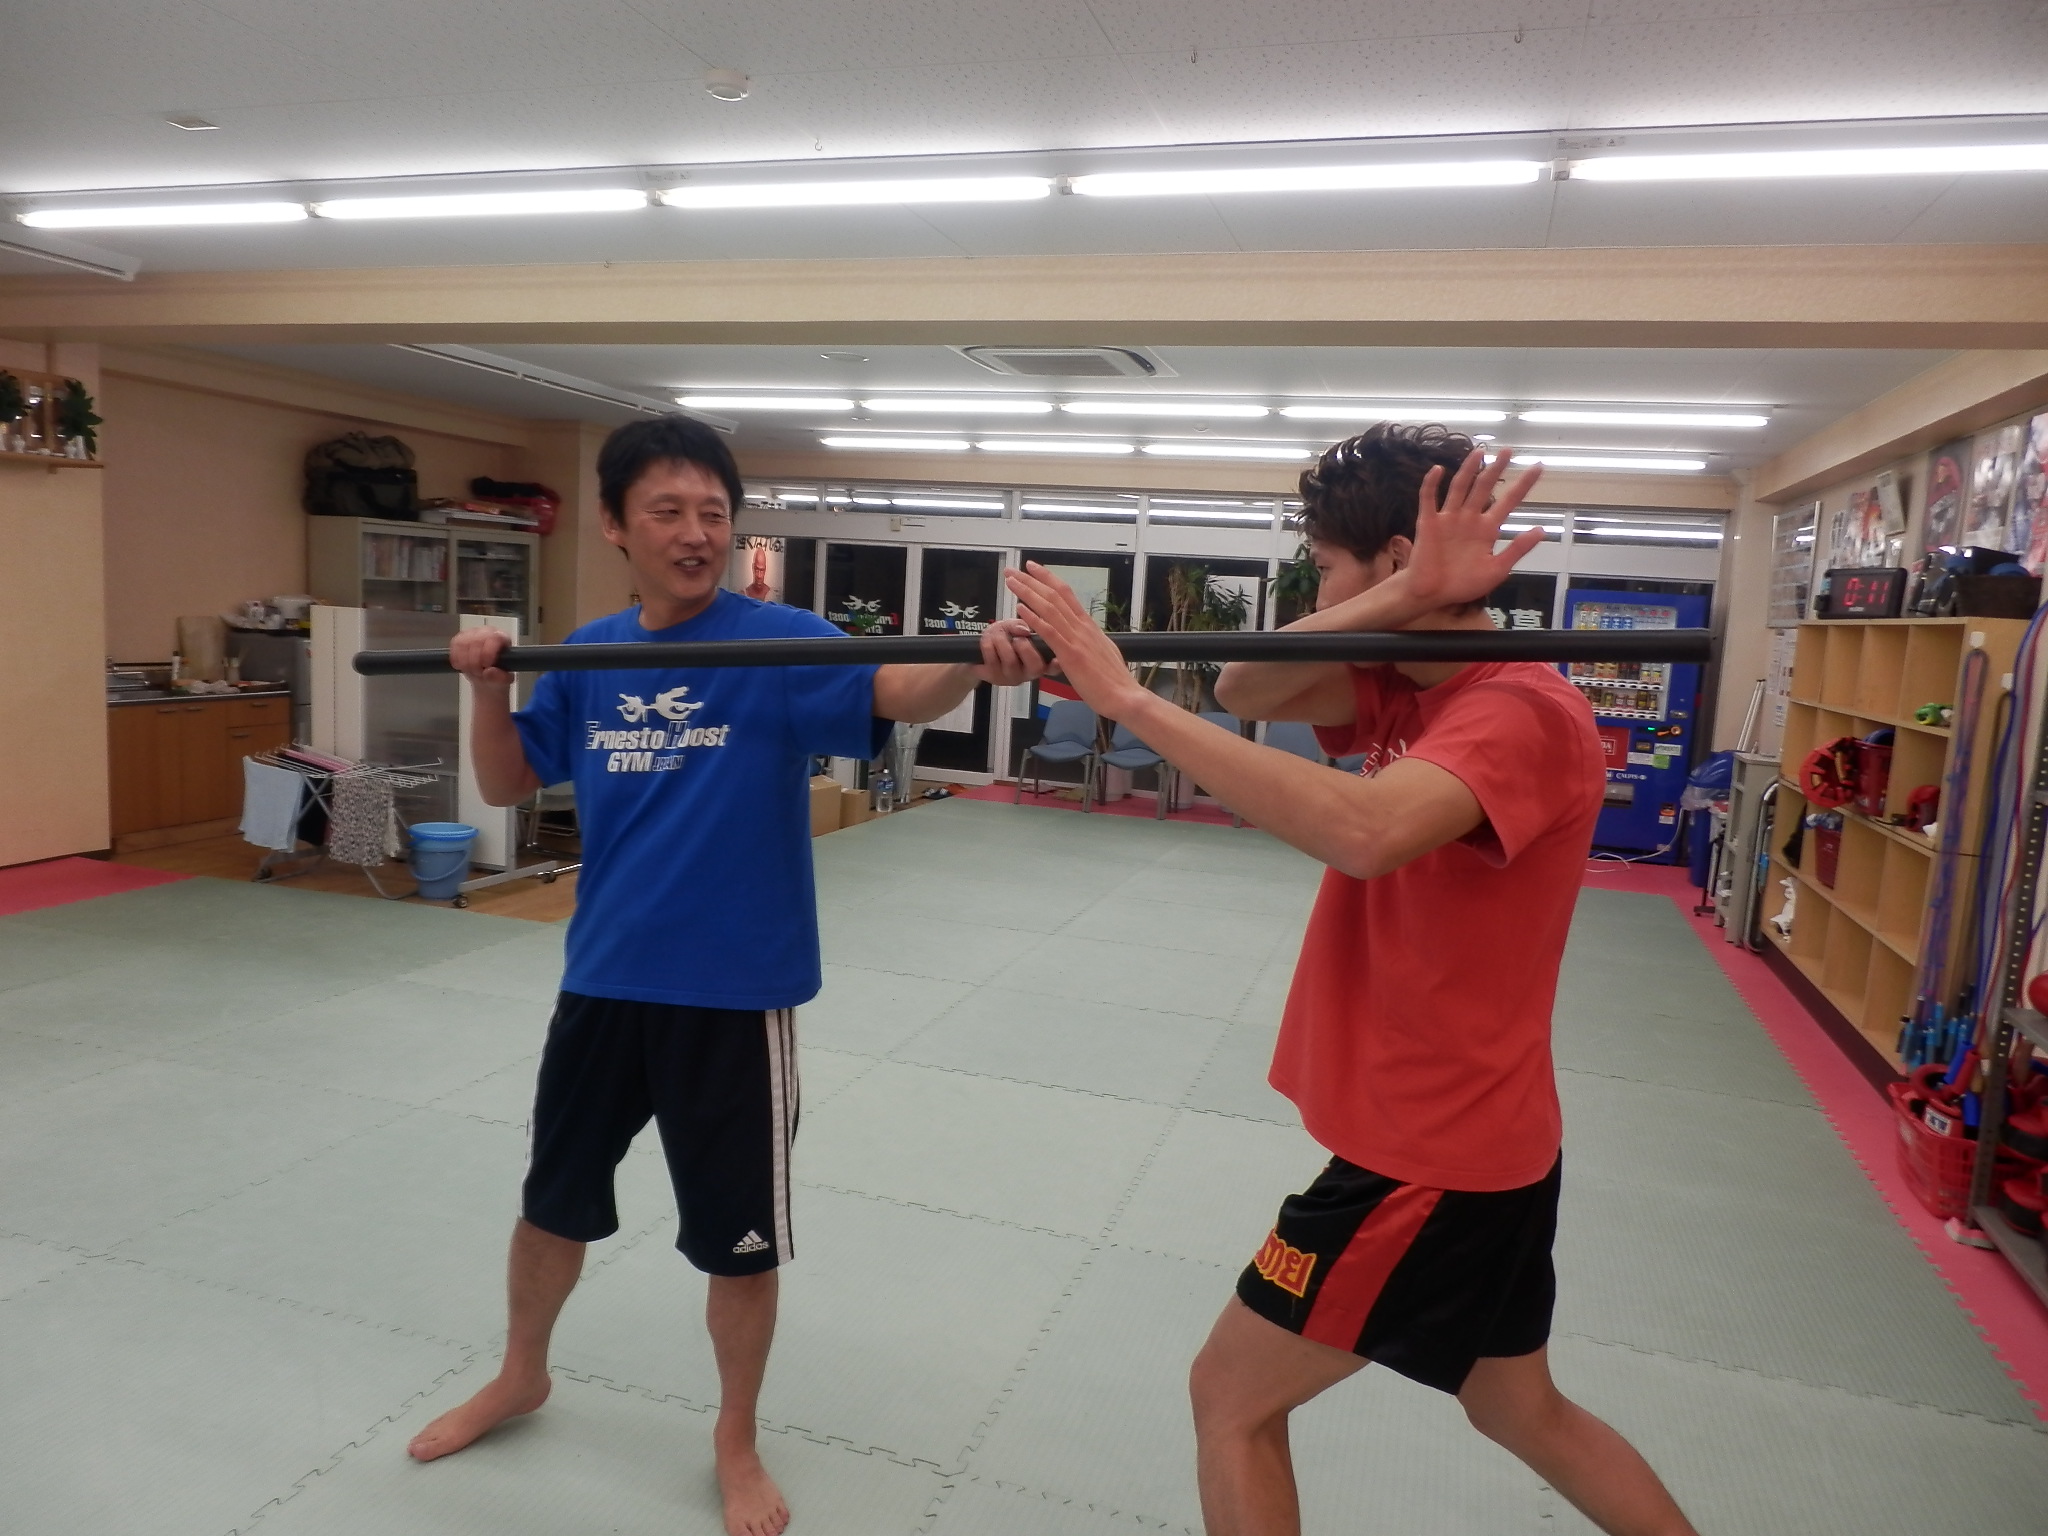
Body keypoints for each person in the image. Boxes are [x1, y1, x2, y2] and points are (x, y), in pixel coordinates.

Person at [1004, 424, 1697, 1536]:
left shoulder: (1518, 712)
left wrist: (1126, 701)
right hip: (1482, 1139)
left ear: (1386, 556)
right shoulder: (1402, 682)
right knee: (1520, 1410)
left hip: (1433, 1154)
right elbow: (1243, 681)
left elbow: (1365, 832)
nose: (1316, 591)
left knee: (1229, 1399)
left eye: (1325, 568)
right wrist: (1402, 594)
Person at [407, 415, 1045, 1536]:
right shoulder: (593, 654)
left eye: (712, 512)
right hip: (604, 981)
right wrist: (487, 688)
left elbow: (898, 692)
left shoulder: (778, 641)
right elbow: (505, 786)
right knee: (551, 1205)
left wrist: (968, 661)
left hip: (733, 996)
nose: (694, 532)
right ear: (615, 525)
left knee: (737, 1242)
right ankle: (521, 1373)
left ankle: (734, 1438)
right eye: (667, 511)